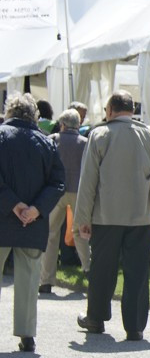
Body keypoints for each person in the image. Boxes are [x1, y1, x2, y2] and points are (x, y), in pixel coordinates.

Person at [74, 90, 150, 342]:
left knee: (102, 270)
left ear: (110, 111)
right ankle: (134, 327)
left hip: (105, 217)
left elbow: (88, 182)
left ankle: (96, 319)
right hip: (141, 217)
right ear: (132, 110)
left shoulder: (99, 134)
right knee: (137, 273)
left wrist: (82, 220)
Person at [0, 94, 66, 353]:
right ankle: (27, 335)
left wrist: (14, 205)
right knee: (28, 279)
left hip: (3, 217)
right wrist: (35, 209)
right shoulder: (46, 142)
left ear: (9, 112)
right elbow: (58, 182)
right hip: (33, 222)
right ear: (33, 115)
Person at [40, 109, 91, 294]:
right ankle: (88, 269)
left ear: (62, 124)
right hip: (79, 191)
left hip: (56, 192)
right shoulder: (85, 143)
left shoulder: (53, 140)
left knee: (51, 235)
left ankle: (46, 280)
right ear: (77, 125)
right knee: (80, 232)